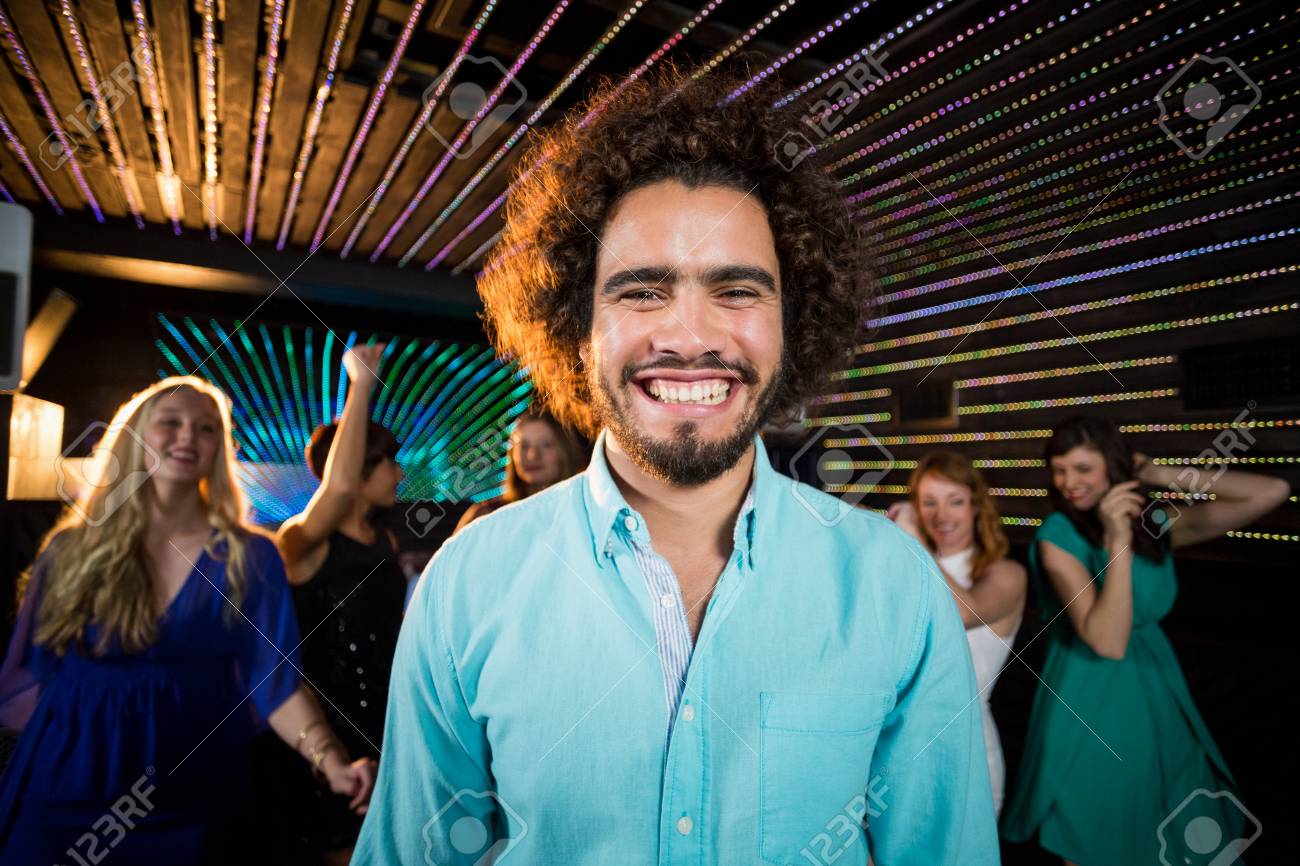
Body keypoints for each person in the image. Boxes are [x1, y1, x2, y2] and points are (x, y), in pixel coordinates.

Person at [353, 61, 998, 865]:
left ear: (791, 325)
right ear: (576, 325)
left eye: (737, 291)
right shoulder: (467, 586)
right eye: (642, 291)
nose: (691, 337)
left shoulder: (895, 586)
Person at [0, 377, 375, 864]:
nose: (188, 437)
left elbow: (275, 680)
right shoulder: (70, 551)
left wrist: (331, 760)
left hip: (192, 788)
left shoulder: (249, 556)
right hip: (69, 779)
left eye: (205, 429)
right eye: (170, 423)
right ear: (134, 437)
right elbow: (32, 672)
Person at [1002, 415, 1289, 865]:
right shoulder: (1057, 536)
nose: (1068, 482)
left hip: (1158, 693)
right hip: (1088, 702)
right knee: (1094, 835)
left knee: (1182, 833)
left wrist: (1154, 473)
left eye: (1082, 468)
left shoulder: (1154, 523)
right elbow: (1108, 641)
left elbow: (1270, 492)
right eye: (1059, 470)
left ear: (1113, 466)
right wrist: (1117, 542)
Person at [273, 344, 407, 865]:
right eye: (389, 463)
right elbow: (339, 485)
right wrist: (360, 384)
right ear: (359, 467)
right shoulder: (302, 542)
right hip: (325, 730)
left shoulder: (385, 543)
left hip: (387, 726)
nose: (399, 475)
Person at [887, 451, 1026, 815]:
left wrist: (911, 538)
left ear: (976, 507)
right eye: (928, 502)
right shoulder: (907, 570)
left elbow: (963, 612)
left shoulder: (1006, 574)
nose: (941, 516)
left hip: (967, 748)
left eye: (956, 502)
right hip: (899, 748)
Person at [452, 405, 584, 533]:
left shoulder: (583, 510)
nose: (533, 455)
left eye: (546, 445)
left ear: (565, 451)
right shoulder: (486, 516)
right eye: (524, 446)